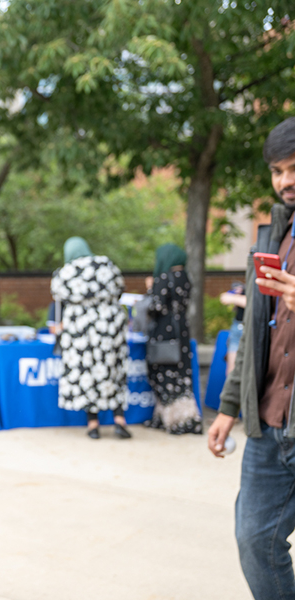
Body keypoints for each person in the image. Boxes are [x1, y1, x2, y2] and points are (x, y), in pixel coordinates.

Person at [209, 116, 295, 599]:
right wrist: (227, 408)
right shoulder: (272, 236)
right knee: (255, 542)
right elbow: (255, 334)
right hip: (267, 428)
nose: (285, 181)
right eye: (278, 171)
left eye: (294, 168)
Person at [51, 237, 130, 439]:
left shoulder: (65, 272)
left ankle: (93, 425)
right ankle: (120, 421)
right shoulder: (106, 264)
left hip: (81, 331)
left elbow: (57, 295)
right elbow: (120, 289)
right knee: (113, 370)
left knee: (88, 373)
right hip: (109, 327)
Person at [145, 244, 202, 434]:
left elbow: (156, 307)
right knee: (181, 375)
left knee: (164, 373)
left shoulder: (163, 278)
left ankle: (169, 419)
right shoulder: (186, 278)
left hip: (164, 333)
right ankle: (185, 418)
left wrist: (149, 290)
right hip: (182, 333)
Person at [220, 282, 247, 376]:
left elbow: (254, 303)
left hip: (249, 328)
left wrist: (233, 298)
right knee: (231, 372)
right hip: (237, 326)